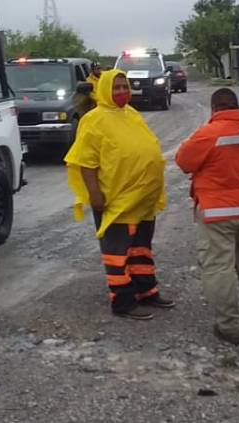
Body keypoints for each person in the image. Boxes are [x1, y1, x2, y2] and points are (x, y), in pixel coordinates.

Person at [65, 68, 175, 320]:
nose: (122, 91)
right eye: (116, 87)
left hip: (142, 198)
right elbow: (85, 162)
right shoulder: (94, 120)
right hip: (116, 198)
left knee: (141, 248)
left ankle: (146, 290)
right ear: (104, 90)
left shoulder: (131, 114)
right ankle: (123, 301)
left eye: (125, 86)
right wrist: (94, 194)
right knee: (117, 250)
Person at [175, 88, 239, 346]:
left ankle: (229, 327)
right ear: (236, 106)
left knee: (219, 268)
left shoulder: (207, 134)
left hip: (218, 213)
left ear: (214, 109)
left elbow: (184, 162)